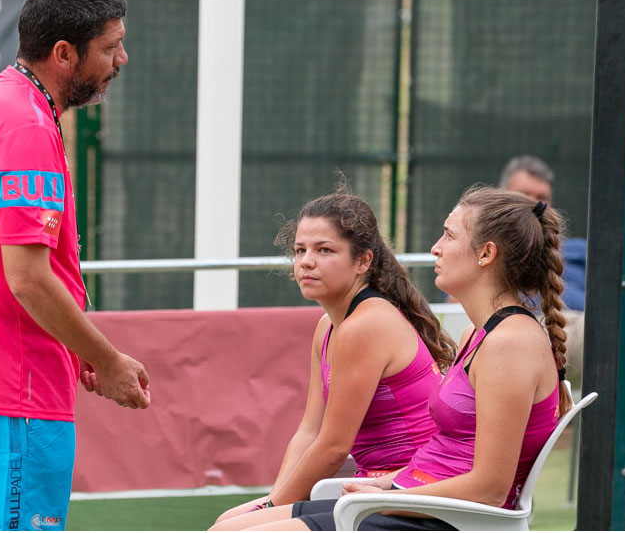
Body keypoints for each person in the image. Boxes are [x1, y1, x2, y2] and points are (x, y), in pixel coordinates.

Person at [0, 0, 150, 531]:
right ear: (64, 53)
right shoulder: (25, 126)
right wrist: (106, 359)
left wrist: (73, 344)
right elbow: (28, 279)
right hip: (6, 394)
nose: (121, 59)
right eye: (110, 47)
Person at [219, 185, 571, 531]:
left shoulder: (510, 344)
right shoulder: (479, 336)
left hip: (438, 517)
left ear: (486, 254)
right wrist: (384, 486)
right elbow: (449, 454)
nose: (435, 248)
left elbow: (491, 489)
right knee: (227, 527)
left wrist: (386, 497)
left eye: (449, 236)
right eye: (300, 250)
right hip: (409, 500)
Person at [212, 188, 456, 529]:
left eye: (324, 250)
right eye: (300, 250)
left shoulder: (366, 325)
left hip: (413, 500)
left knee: (233, 529)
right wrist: (275, 498)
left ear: (363, 261)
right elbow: (309, 431)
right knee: (228, 522)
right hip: (370, 494)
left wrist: (272, 506)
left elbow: (333, 448)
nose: (306, 261)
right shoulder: (327, 327)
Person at [499, 155, 586, 381]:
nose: (533, 204)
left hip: (586, 325)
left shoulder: (578, 250)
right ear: (501, 198)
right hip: (534, 331)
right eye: (524, 195)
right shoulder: (491, 252)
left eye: (541, 198)